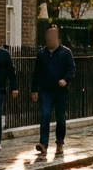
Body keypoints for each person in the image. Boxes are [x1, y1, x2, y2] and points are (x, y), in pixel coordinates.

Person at [31, 26, 76, 157]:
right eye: (47, 38)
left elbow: (71, 69)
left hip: (61, 91)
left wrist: (65, 80)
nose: (48, 40)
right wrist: (34, 90)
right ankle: (43, 144)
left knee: (60, 118)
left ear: (58, 39)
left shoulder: (66, 53)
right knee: (45, 115)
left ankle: (60, 142)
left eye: (51, 38)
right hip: (45, 90)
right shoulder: (42, 54)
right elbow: (37, 73)